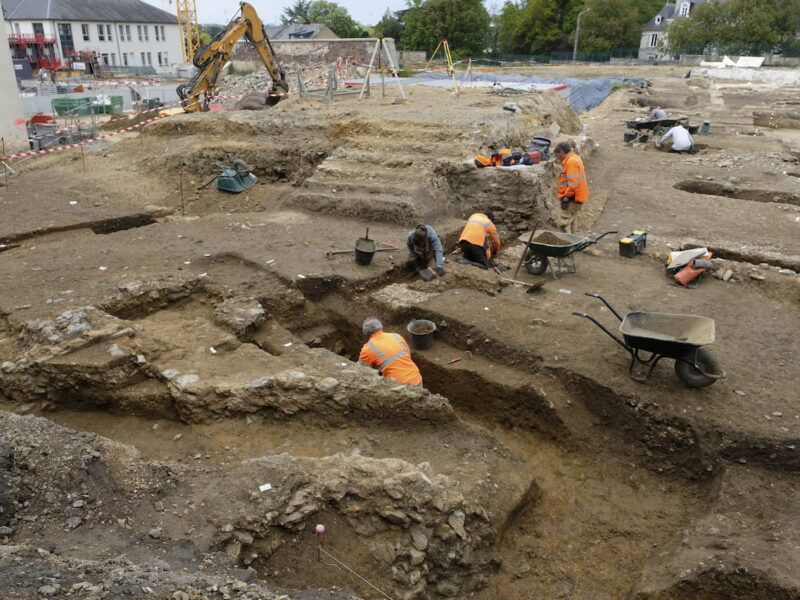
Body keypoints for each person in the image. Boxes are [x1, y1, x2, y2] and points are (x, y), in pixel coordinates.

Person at [358, 317, 422, 386]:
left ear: (365, 333)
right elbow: (408, 355)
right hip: (416, 378)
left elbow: (360, 370)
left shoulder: (368, 348)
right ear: (381, 327)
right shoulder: (397, 336)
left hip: (399, 385)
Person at [554, 141, 589, 234]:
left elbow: (573, 184)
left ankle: (565, 244)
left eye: (557, 155)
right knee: (573, 219)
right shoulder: (575, 158)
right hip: (577, 196)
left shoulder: (571, 162)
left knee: (562, 223)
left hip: (572, 198)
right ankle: (574, 242)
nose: (557, 158)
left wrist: (566, 197)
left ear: (561, 152)